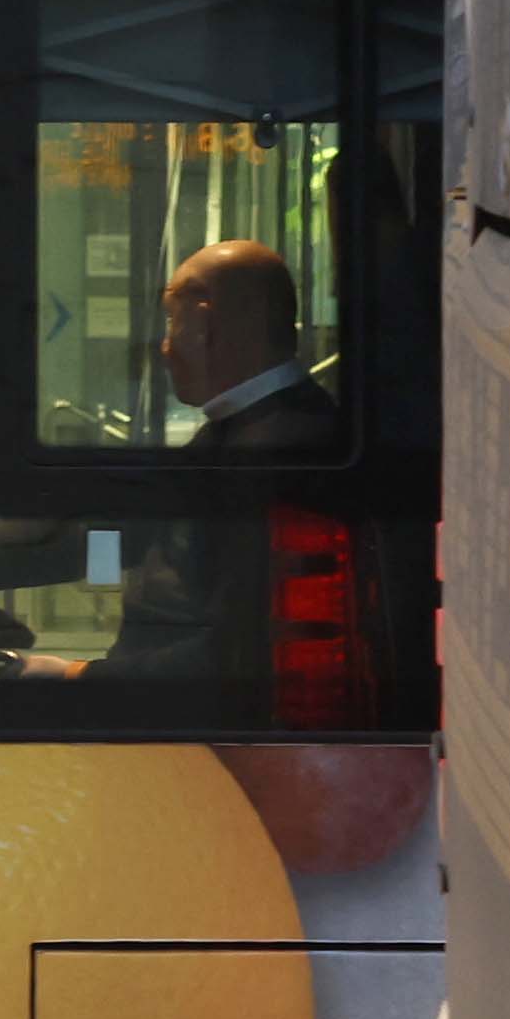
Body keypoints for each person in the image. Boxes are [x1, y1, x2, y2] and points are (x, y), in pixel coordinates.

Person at [92, 239, 352, 689]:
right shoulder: (245, 426)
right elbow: (120, 522)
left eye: (173, 322)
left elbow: (238, 647)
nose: (165, 348)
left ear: (208, 321)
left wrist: (80, 677)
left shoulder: (277, 450)